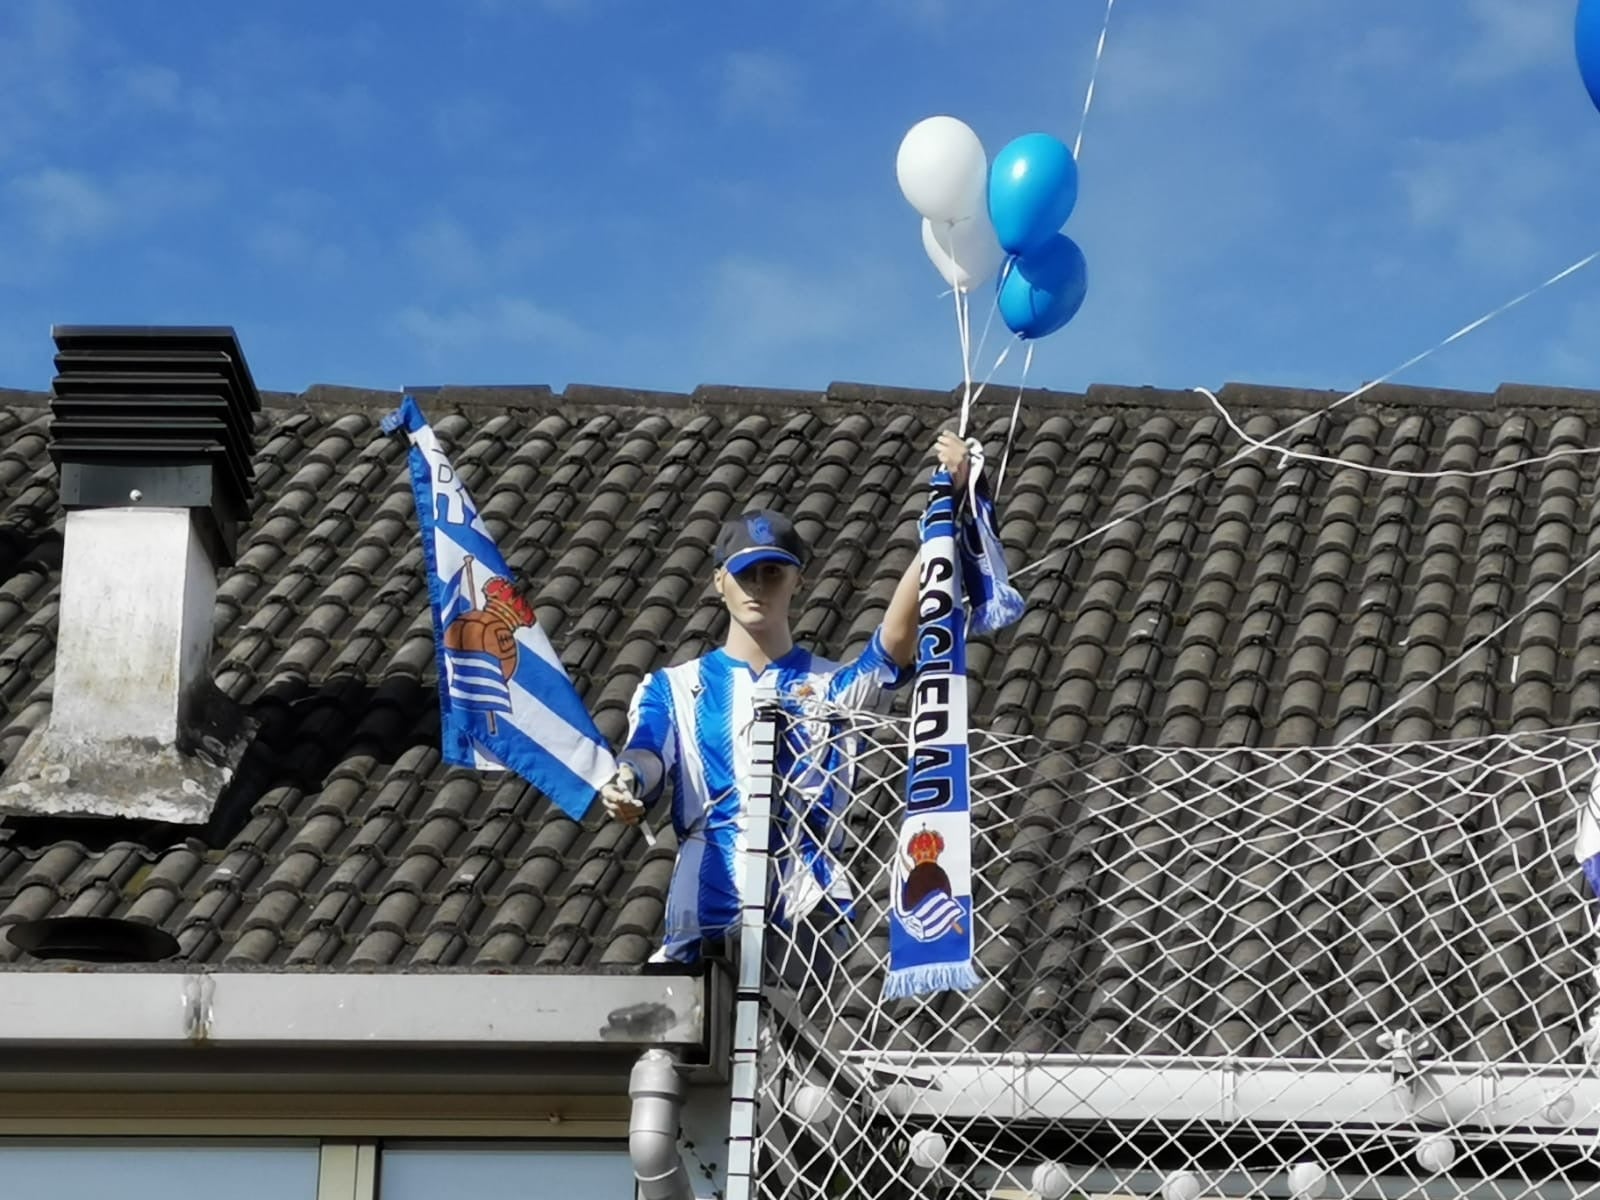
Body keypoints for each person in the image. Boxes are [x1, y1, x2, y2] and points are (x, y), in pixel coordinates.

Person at [601, 430, 972, 973]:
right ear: (718, 582)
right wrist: (627, 781)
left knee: (787, 1047)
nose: (758, 586)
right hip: (704, 913)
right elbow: (647, 751)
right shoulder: (674, 686)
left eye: (772, 572)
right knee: (675, 1045)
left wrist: (945, 512)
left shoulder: (831, 685)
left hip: (807, 917)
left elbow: (893, 643)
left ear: (797, 580)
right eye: (745, 573)